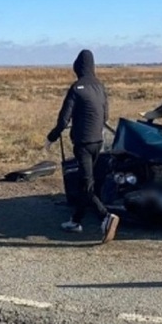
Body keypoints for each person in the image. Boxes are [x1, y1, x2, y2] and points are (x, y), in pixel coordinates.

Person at [45, 49, 119, 243]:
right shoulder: (100, 87)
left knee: (87, 185)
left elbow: (63, 120)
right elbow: (106, 116)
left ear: (77, 66)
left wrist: (51, 137)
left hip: (83, 144)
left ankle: (105, 217)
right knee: (84, 182)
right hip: (98, 142)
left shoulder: (76, 88)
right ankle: (76, 221)